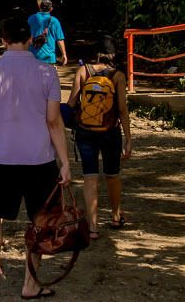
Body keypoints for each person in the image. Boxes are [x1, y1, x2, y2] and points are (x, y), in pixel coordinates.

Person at [0, 19, 71, 300]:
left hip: (2, 156)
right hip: (39, 158)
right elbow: (53, 121)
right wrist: (64, 161)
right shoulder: (47, 71)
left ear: (3, 41)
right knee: (40, 221)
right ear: (31, 40)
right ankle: (30, 283)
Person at [66, 35, 132, 240]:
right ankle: (115, 216)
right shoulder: (117, 76)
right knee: (112, 174)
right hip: (110, 131)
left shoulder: (83, 71)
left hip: (86, 132)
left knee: (90, 178)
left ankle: (93, 228)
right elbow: (122, 110)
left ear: (96, 53)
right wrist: (128, 138)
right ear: (113, 54)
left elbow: (71, 102)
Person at [28, 0, 67, 66]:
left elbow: (25, 36)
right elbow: (59, 39)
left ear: (39, 7)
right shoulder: (54, 21)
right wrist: (64, 54)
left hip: (33, 55)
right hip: (49, 57)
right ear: (51, 9)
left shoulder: (31, 18)